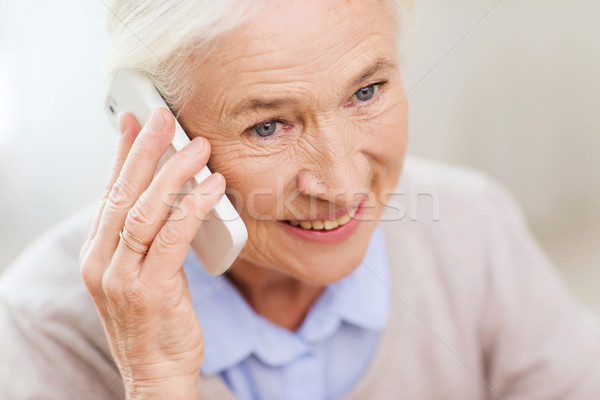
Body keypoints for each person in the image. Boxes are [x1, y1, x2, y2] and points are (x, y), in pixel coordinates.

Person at [1, 0, 599, 399]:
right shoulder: (42, 331)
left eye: (367, 91)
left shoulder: (474, 228)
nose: (341, 186)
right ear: (160, 135)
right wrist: (156, 382)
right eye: (268, 127)